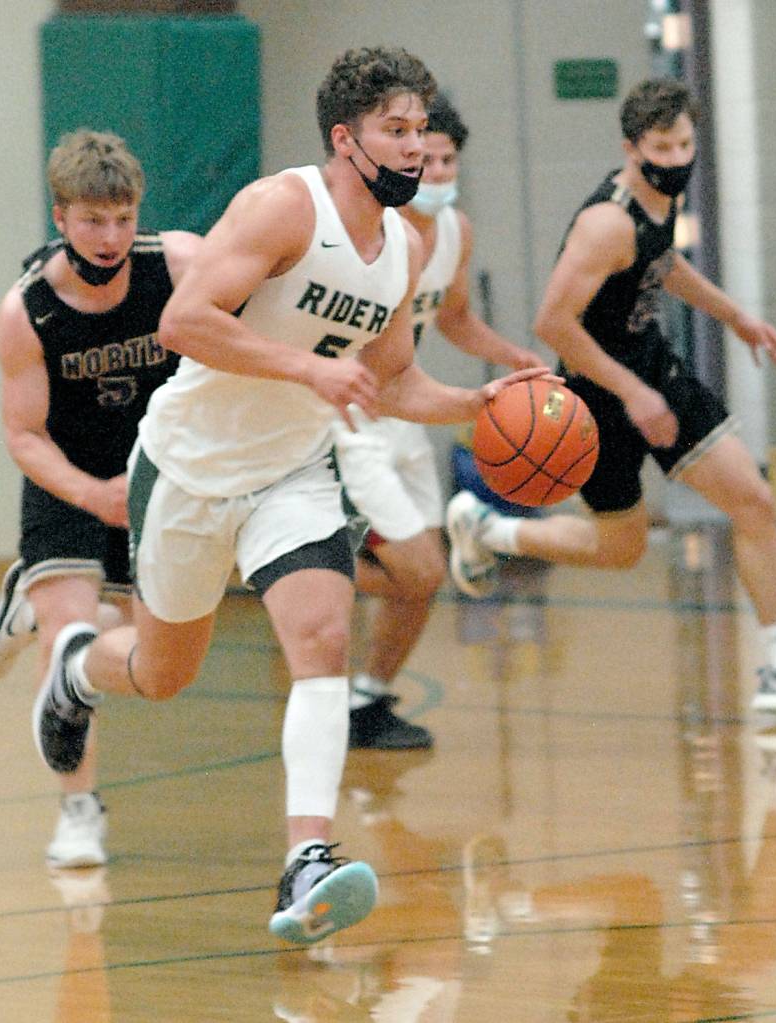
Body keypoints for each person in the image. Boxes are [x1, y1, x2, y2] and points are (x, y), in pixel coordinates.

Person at [29, 46, 554, 943]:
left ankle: (306, 856)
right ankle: (77, 670)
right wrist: (309, 368)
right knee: (162, 672)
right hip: (191, 466)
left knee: (319, 636)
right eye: (397, 130)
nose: (418, 149)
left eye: (423, 129)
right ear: (346, 139)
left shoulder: (404, 250)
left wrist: (477, 404)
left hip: (295, 470)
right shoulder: (283, 205)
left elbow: (388, 381)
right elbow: (183, 321)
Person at [446, 77, 776, 712]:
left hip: (651, 366)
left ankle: (775, 668)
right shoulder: (606, 222)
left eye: (686, 144)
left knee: (755, 502)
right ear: (631, 147)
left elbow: (660, 263)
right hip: (596, 393)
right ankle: (489, 529)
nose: (678, 158)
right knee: (620, 550)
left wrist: (734, 315)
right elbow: (552, 324)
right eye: (663, 146)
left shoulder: (660, 202)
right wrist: (631, 393)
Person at [0, 129, 201, 867]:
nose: (110, 237)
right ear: (61, 216)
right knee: (70, 635)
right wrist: (89, 492)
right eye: (93, 219)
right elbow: (23, 433)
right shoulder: (28, 310)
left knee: (153, 657)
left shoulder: (176, 265)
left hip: (153, 477)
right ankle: (78, 811)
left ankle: (27, 595)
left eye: (124, 217)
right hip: (68, 481)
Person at [331, 93, 544, 750]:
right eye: (434, 156)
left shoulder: (455, 232)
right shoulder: (370, 227)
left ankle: (368, 697)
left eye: (453, 159)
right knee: (419, 568)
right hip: (351, 412)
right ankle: (281, 566)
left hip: (406, 409)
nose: (443, 170)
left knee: (421, 579)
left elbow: (452, 318)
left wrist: (509, 355)